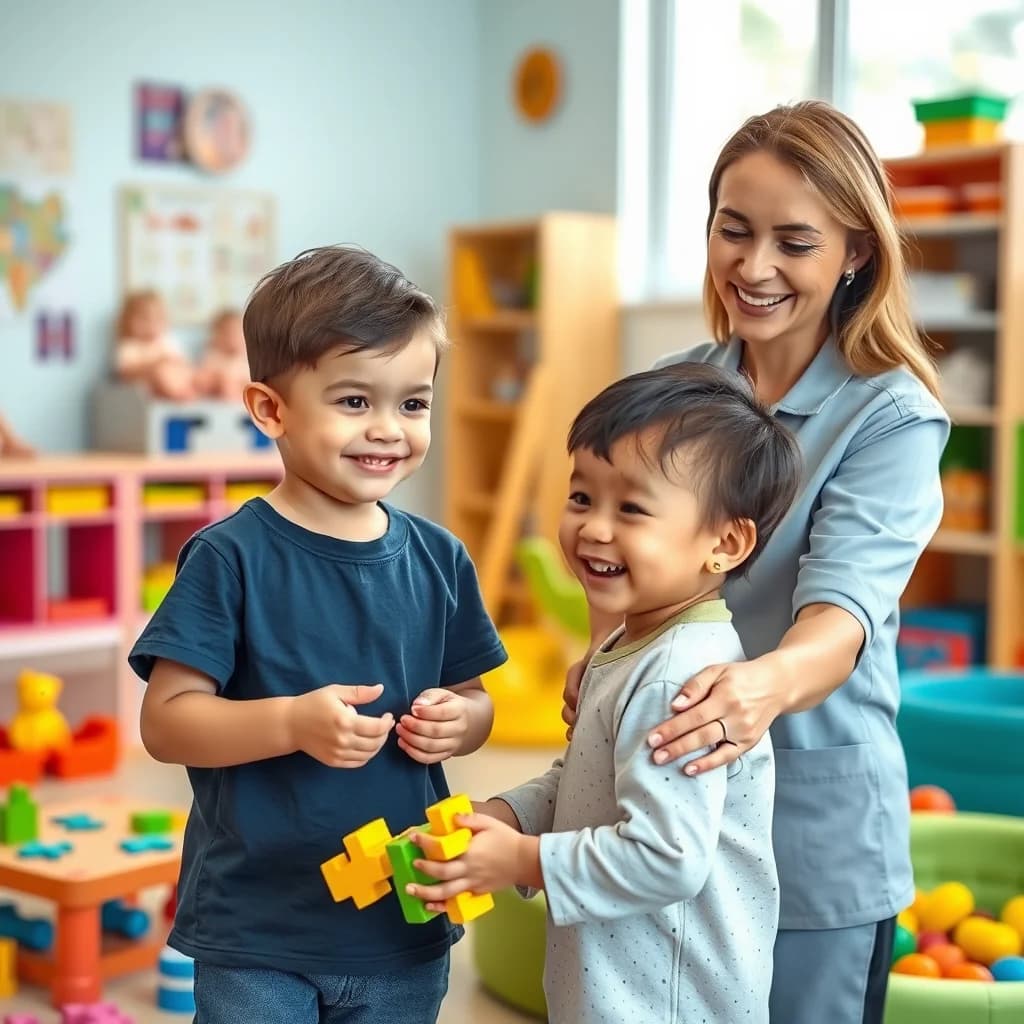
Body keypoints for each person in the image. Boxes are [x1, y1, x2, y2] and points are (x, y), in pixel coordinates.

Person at [564, 101, 950, 1024]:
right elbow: (621, 549)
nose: (754, 266)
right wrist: (605, 650)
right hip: (662, 806)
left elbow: (840, 618)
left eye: (794, 242)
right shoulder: (677, 390)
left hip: (812, 829)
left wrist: (759, 688)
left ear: (855, 252)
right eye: (733, 231)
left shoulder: (890, 416)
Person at [131, 245, 506, 1024]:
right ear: (271, 410)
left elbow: (476, 702)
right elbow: (166, 723)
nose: (389, 430)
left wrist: (461, 720)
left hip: (401, 919)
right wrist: (291, 723)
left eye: (413, 404)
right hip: (258, 927)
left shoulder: (441, 559)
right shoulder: (229, 557)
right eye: (354, 401)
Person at [405, 363, 802, 1024]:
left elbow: (666, 858)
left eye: (632, 509)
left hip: (670, 1005)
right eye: (582, 497)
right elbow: (587, 782)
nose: (593, 528)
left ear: (725, 543)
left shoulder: (677, 679)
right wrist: (506, 816)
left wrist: (521, 859)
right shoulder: (630, 644)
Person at [113, 289, 195, 400]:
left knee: (205, 372)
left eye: (157, 319)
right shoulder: (130, 346)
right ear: (127, 322)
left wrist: (174, 363)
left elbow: (183, 362)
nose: (151, 325)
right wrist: (154, 365)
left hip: (179, 376)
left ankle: (194, 389)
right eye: (143, 319)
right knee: (161, 373)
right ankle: (179, 393)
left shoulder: (167, 341)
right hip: (150, 385)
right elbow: (125, 373)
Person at [194, 308, 249, 400]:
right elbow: (201, 380)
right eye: (227, 334)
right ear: (216, 337)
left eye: (238, 333)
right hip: (218, 400)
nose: (233, 339)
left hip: (241, 400)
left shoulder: (246, 358)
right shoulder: (213, 356)